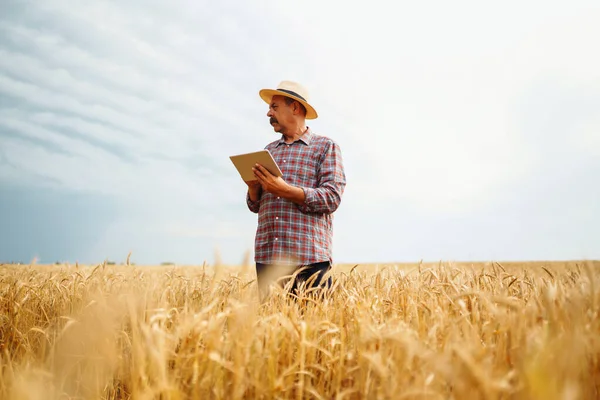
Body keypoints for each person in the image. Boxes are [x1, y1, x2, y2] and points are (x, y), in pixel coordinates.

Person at [245, 80, 346, 299]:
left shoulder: (326, 147)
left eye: (274, 107)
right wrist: (254, 189)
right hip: (268, 257)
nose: (268, 113)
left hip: (308, 260)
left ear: (295, 108)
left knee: (314, 328)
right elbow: (255, 206)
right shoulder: (268, 150)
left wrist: (285, 190)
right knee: (271, 331)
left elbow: (332, 198)